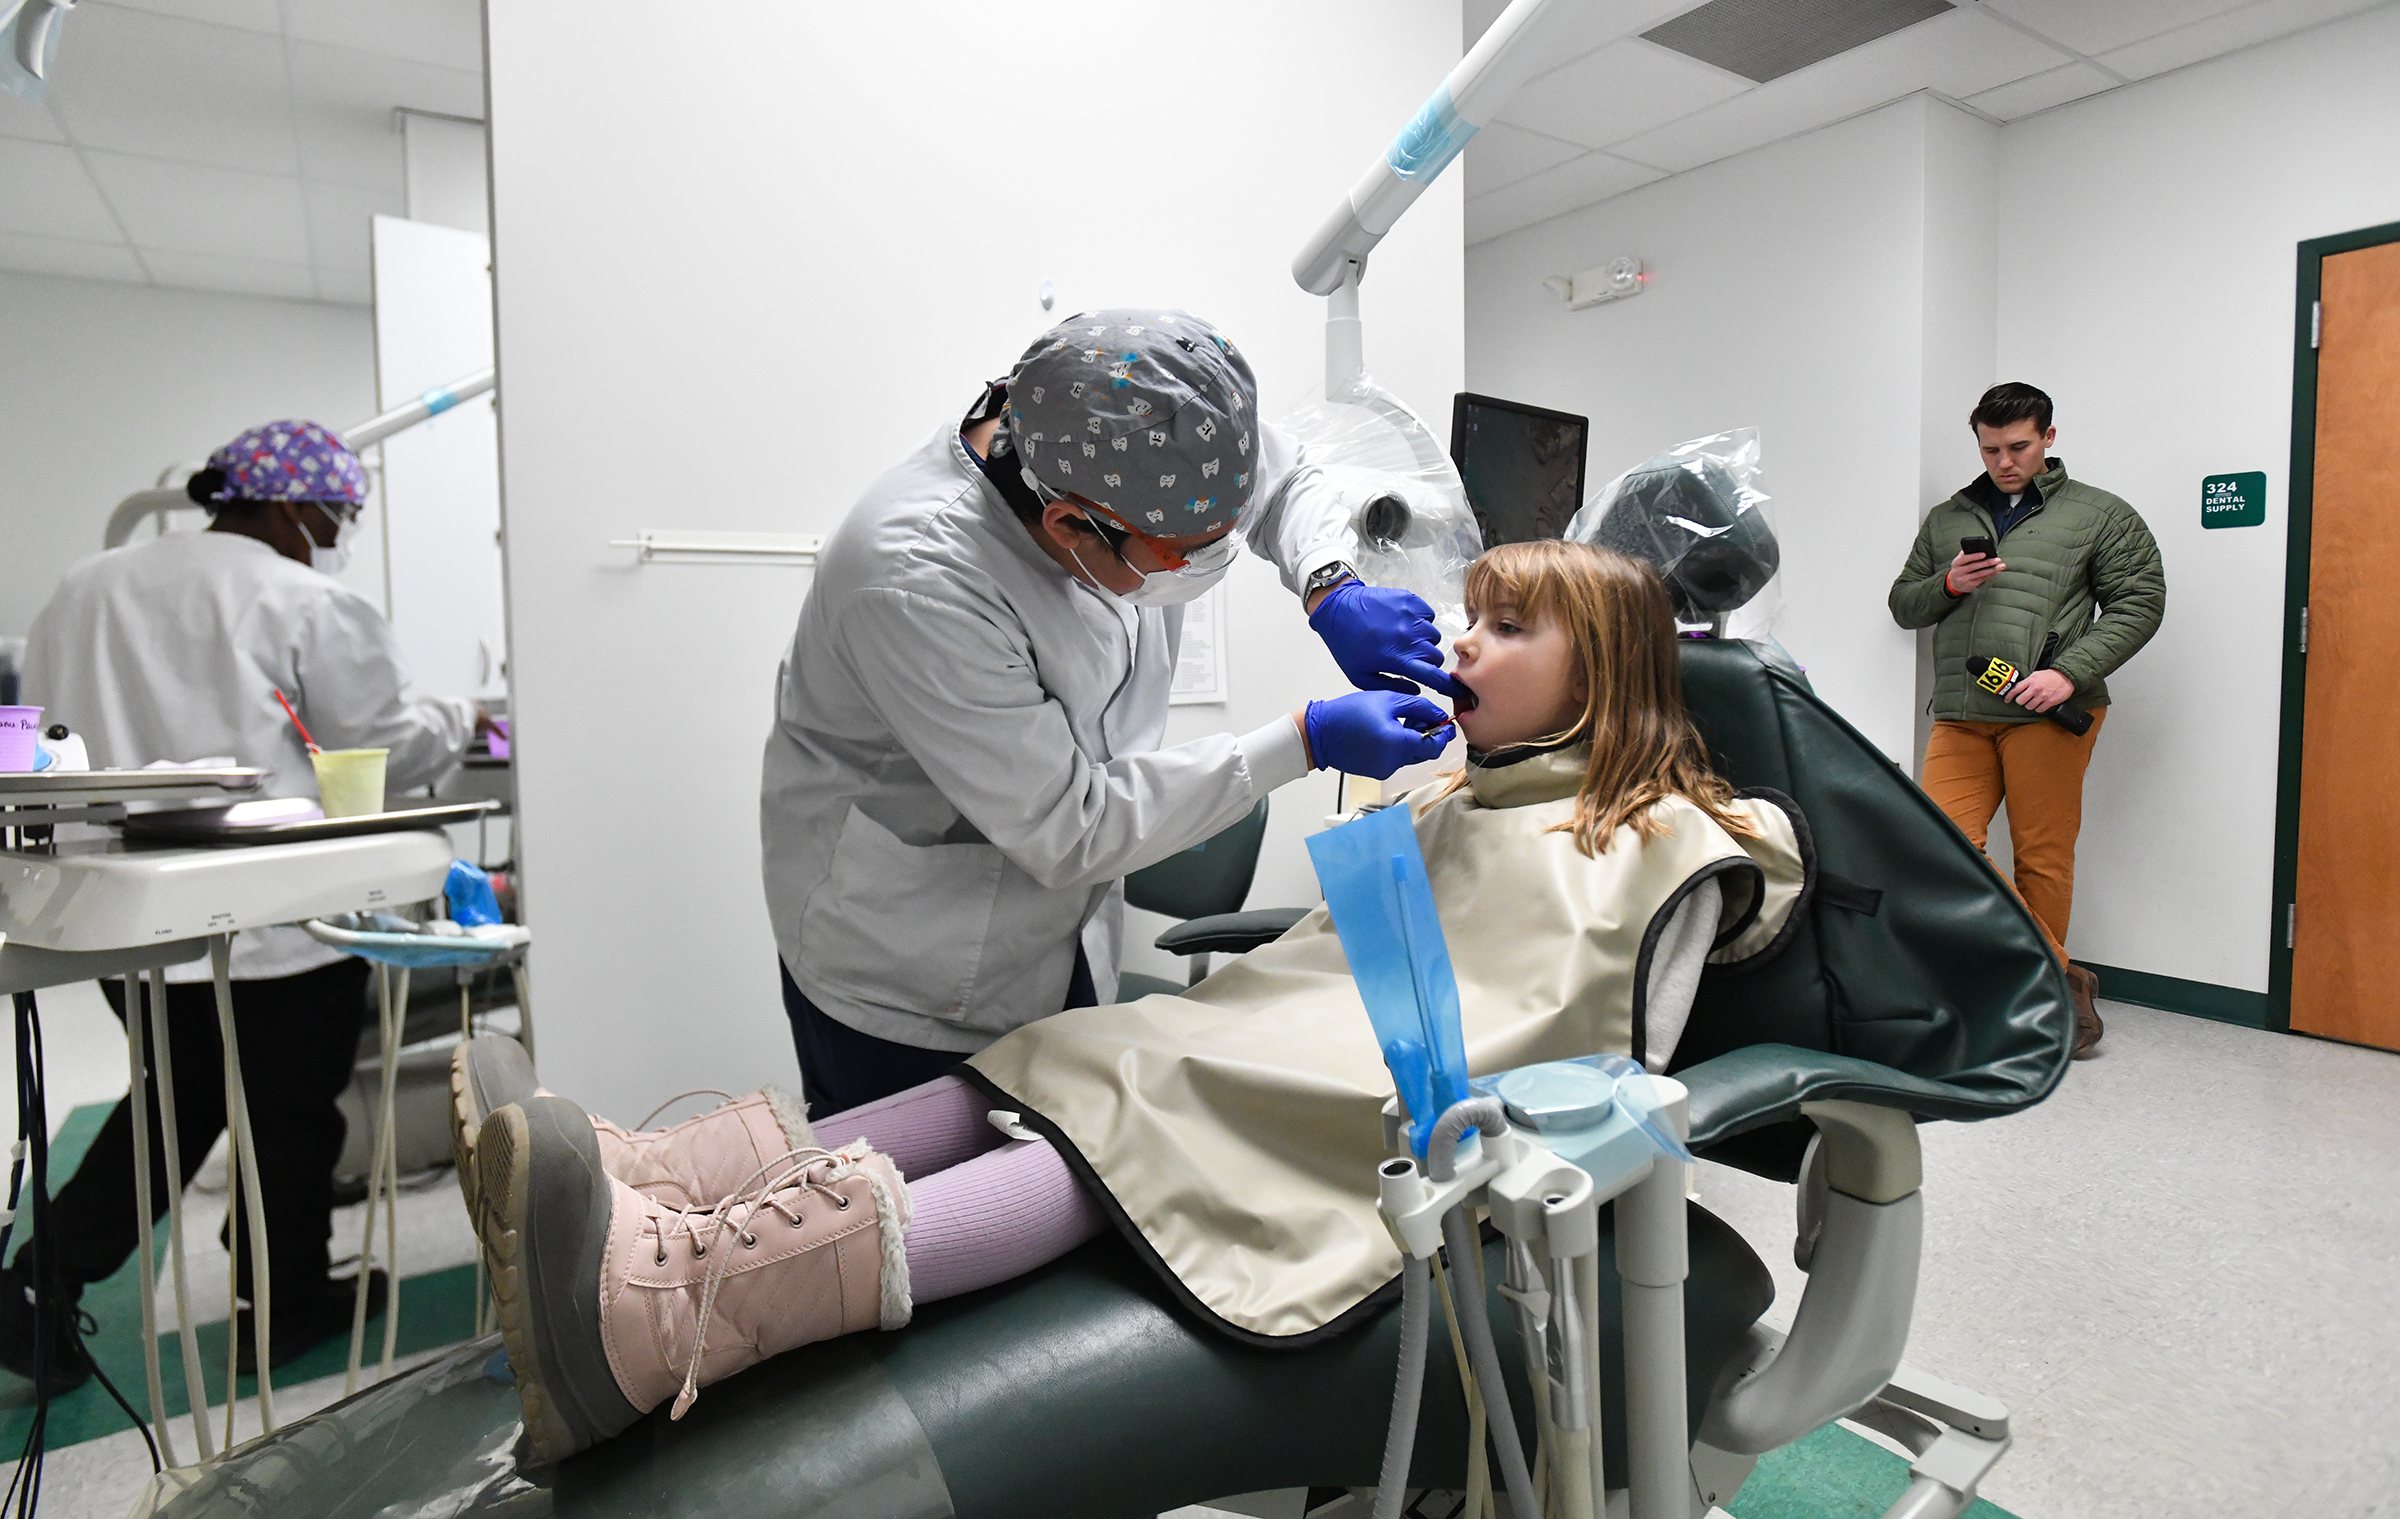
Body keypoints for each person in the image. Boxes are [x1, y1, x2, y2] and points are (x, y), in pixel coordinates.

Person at [459, 541, 1810, 1462]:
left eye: (1508, 625)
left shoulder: (1672, 829)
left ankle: (681, 1303)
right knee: (1074, 1042)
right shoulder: (1463, 788)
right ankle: (667, 1184)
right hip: (1311, 1025)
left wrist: (1714, 821)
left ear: (1614, 672)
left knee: (1143, 1100)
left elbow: (1639, 994)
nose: (1462, 639)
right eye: (1471, 612)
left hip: (1422, 1104)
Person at [762, 310, 1462, 1112]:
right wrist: (1308, 739)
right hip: (904, 973)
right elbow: (1074, 823)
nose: (1208, 564)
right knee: (906, 1209)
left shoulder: (1153, 425)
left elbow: (1285, 480)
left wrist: (1330, 582)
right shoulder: (917, 577)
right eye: (1182, 554)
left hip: (1058, 928)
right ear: (1070, 523)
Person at [9, 419, 484, 1381]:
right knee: (290, 1111)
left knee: (176, 1099)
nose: (341, 529)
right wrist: (463, 718)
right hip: (273, 917)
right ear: (283, 501)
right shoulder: (301, 597)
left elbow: (54, 741)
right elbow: (380, 749)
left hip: (123, 912)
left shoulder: (82, 587)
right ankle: (285, 1305)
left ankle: (34, 1282)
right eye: (339, 511)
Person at [1888, 383, 2165, 1058]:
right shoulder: (1947, 516)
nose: (2004, 461)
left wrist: (2067, 672)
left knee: (2042, 856)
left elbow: (2140, 603)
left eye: (2018, 446)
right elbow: (1904, 603)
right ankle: (2060, 978)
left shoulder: (2101, 515)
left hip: (2049, 709)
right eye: (1990, 448)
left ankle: (2029, 1002)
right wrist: (1949, 583)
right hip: (1960, 709)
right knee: (1944, 845)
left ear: (2048, 436)